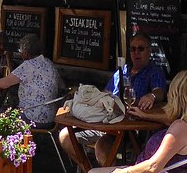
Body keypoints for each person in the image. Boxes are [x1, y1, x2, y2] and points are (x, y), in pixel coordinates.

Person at [58, 32, 168, 166]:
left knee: (102, 147)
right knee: (65, 136)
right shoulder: (122, 71)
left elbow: (159, 91)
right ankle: (89, 170)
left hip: (131, 130)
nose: (136, 53)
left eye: (141, 49)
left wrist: (152, 96)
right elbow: (105, 93)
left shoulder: (154, 71)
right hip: (105, 122)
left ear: (149, 51)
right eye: (133, 49)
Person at [0, 33, 60, 125]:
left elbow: (1, 84)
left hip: (31, 117)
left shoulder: (28, 66)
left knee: (1, 118)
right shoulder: (49, 63)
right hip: (51, 118)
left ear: (25, 53)